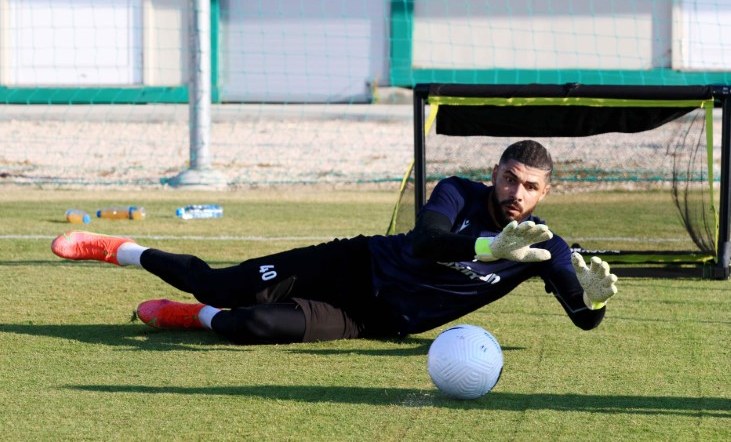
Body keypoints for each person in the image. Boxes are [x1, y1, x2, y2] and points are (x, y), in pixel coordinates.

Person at [51, 140, 617, 345]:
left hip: (376, 320)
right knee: (218, 285)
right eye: (510, 179)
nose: (517, 193)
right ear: (494, 174)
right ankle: (119, 248)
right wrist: (491, 250)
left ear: (546, 191)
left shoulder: (548, 246)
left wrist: (591, 302)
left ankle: (189, 317)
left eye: (531, 186)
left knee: (250, 326)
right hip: (354, 263)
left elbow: (582, 319)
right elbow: (426, 243)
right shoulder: (457, 191)